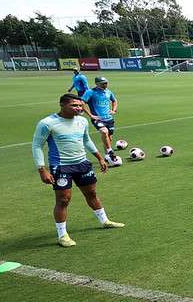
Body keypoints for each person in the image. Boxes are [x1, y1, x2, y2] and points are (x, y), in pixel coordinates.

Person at [32, 94, 124, 247]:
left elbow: (86, 140)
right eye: (75, 105)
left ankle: (105, 221)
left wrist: (100, 157)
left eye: (80, 106)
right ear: (62, 105)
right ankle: (62, 235)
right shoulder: (47, 123)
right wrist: (42, 169)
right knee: (63, 200)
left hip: (82, 164)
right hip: (61, 166)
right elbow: (36, 146)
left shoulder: (82, 121)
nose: (79, 108)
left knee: (92, 194)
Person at [81, 76, 119, 164]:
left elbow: (114, 101)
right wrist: (91, 115)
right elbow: (82, 103)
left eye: (106, 83)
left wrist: (114, 110)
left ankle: (107, 156)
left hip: (109, 119)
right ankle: (110, 151)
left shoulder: (108, 92)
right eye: (103, 83)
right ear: (97, 84)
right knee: (104, 132)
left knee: (109, 138)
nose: (105, 85)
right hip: (98, 119)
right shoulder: (90, 92)